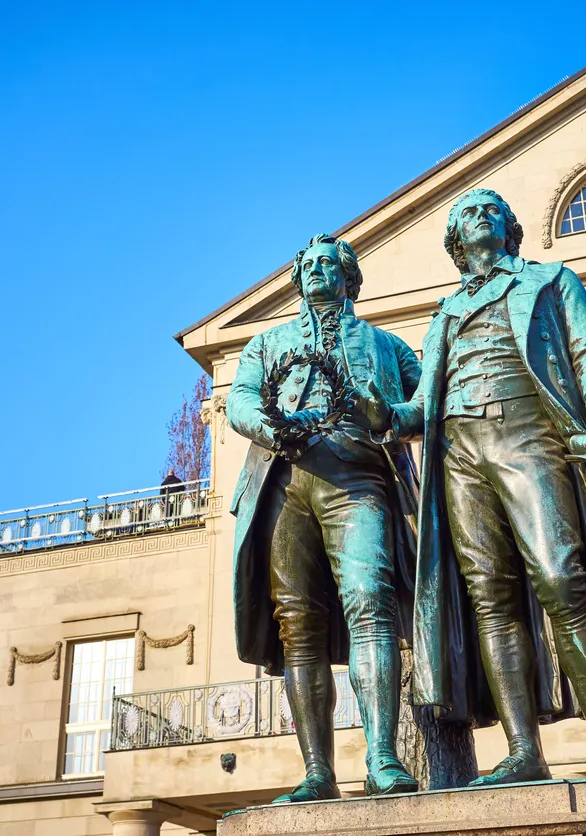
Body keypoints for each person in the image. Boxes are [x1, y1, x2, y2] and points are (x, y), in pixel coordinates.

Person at [349, 189, 586, 784]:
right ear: (454, 242)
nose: (481, 217)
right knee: (489, 598)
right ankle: (523, 751)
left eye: (491, 209)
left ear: (509, 228)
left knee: (560, 580)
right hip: (459, 452)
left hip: (528, 433)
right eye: (467, 212)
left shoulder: (550, 280)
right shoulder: (445, 312)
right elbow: (422, 405)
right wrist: (386, 416)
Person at [227, 234, 422, 801]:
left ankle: (382, 758)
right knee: (298, 626)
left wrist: (390, 414)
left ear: (350, 278)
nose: (316, 271)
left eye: (328, 264)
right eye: (307, 265)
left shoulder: (387, 346)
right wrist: (270, 426)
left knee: (370, 599)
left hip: (359, 478)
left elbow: (429, 403)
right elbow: (240, 399)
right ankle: (318, 771)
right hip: (284, 481)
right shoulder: (268, 342)